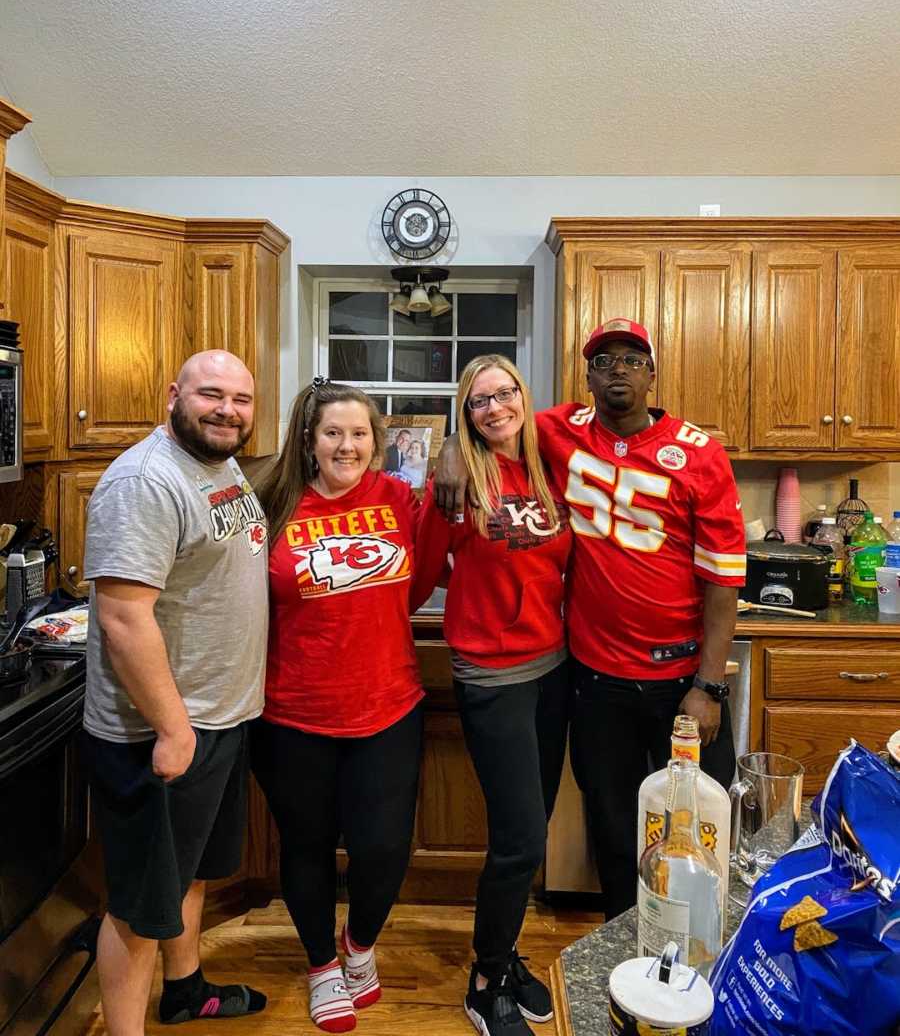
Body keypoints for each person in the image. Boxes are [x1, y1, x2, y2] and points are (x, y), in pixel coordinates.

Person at [434, 319, 746, 919]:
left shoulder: (700, 455)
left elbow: (723, 580)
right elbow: (489, 422)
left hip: (681, 680)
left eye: (632, 359)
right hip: (596, 678)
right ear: (589, 377)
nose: (618, 370)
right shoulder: (559, 429)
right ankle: (622, 941)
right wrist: (451, 445)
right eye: (605, 362)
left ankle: (703, 945)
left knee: (703, 824)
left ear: (652, 374)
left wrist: (708, 686)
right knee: (612, 823)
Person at [82, 350, 269, 1036]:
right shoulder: (144, 480)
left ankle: (186, 990)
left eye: (241, 399)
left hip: (213, 716)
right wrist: (172, 729)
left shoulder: (215, 465)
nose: (227, 410)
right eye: (211, 394)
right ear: (173, 396)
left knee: (184, 879)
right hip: (159, 730)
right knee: (138, 906)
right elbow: (123, 616)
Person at [251, 378, 423, 1034]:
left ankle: (359, 946)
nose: (346, 445)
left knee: (384, 850)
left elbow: (433, 560)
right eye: (333, 433)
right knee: (307, 845)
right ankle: (322, 965)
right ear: (309, 439)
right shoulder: (272, 503)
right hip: (293, 713)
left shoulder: (398, 497)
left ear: (376, 442)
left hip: (388, 705)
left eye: (359, 434)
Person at [412, 355, 571, 1036]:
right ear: (465, 412)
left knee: (531, 832)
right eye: (478, 401)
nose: (495, 407)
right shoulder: (454, 485)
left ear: (522, 397)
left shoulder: (550, 462)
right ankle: (485, 979)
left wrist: (452, 438)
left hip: (555, 667)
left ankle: (504, 959)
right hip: (492, 676)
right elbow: (418, 575)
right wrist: (448, 451)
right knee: (519, 837)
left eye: (505, 392)